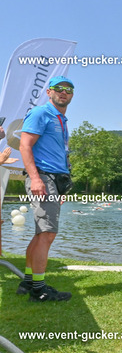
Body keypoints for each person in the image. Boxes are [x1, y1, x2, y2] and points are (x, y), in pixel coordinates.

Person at [17, 76, 74, 301]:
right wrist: (36, 179)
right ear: (49, 92)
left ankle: (28, 281)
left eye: (68, 89)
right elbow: (24, 145)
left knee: (41, 233)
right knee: (48, 233)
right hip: (42, 178)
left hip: (53, 180)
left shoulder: (61, 118)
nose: (64, 92)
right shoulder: (41, 113)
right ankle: (39, 291)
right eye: (59, 88)